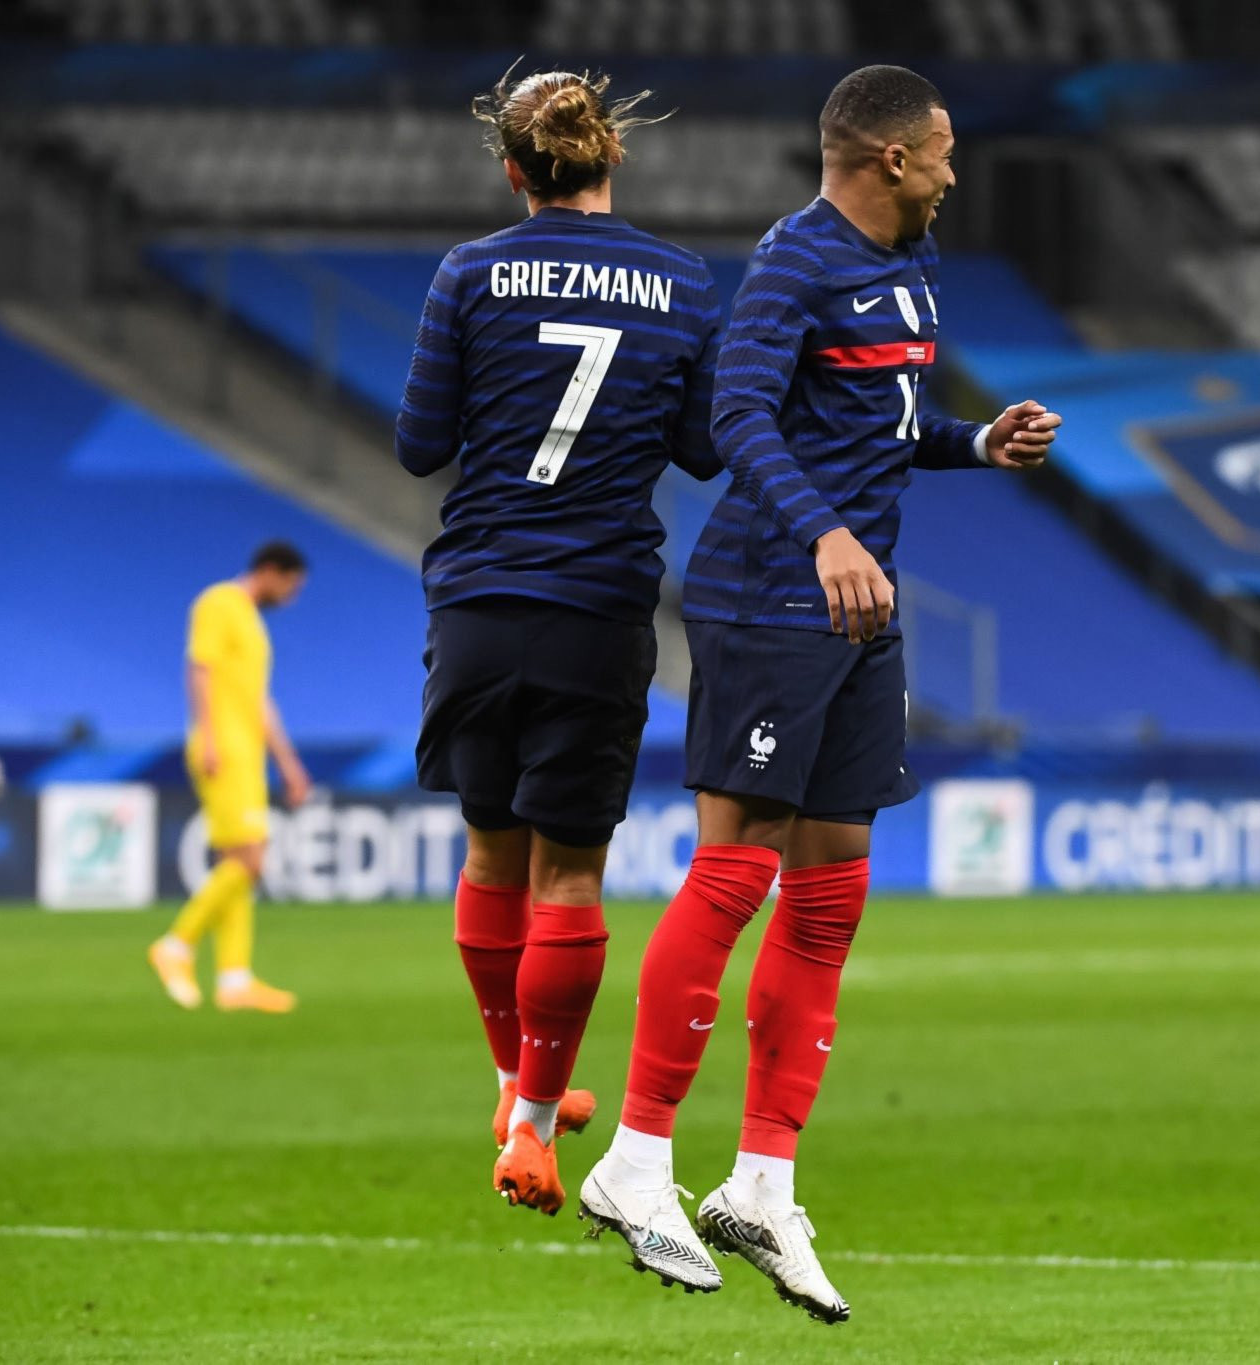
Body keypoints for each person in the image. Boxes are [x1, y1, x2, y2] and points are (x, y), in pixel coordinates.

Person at [576, 65, 1059, 1320]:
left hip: (862, 603)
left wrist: (971, 443)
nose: (955, 171)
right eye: (942, 151)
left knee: (835, 881)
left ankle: (761, 1183)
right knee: (736, 867)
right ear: (888, 159)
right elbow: (737, 412)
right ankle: (635, 1161)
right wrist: (825, 536)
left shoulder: (909, 267)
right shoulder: (796, 259)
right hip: (772, 593)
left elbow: (871, 424)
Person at [395, 67, 723, 1218]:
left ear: (511, 168)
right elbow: (702, 449)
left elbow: (418, 444)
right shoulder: (681, 282)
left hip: (479, 599)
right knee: (569, 874)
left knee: (490, 856)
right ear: (610, 156)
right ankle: (531, 1132)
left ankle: (509, 1086)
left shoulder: (470, 272)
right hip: (597, 605)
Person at [149, 541, 311, 1014]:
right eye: (291, 585)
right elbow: (201, 668)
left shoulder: (252, 623)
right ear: (270, 571)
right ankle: (176, 944)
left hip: (247, 752)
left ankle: (234, 979)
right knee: (251, 859)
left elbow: (259, 700)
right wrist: (211, 737)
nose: (291, 596)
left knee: (237, 863)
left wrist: (287, 762)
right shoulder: (219, 603)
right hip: (224, 749)